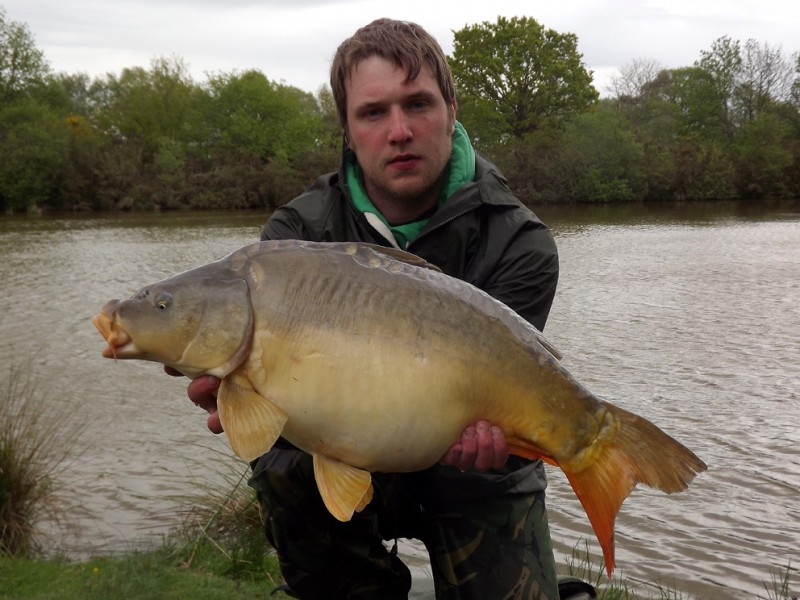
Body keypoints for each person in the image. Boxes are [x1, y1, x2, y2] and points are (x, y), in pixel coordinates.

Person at [178, 18, 563, 600]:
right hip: (336, 451)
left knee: (492, 489)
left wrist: (503, 434)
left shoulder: (519, 241)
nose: (400, 131)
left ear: (452, 111)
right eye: (374, 112)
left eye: (418, 104)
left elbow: (513, 383)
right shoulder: (297, 234)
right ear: (349, 130)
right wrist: (241, 390)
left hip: (473, 466)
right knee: (284, 466)